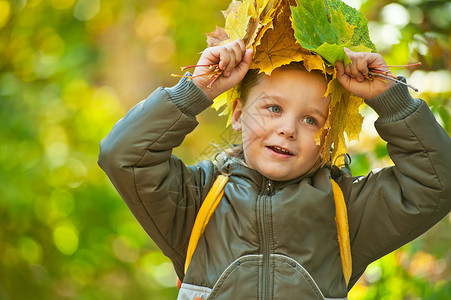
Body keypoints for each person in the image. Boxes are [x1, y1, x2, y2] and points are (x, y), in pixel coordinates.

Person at [98, 39, 451, 299]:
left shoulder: (347, 212)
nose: (288, 129)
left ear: (328, 138)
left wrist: (390, 99)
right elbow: (123, 155)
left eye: (311, 119)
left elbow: (438, 182)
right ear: (238, 114)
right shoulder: (196, 202)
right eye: (273, 109)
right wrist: (197, 89)